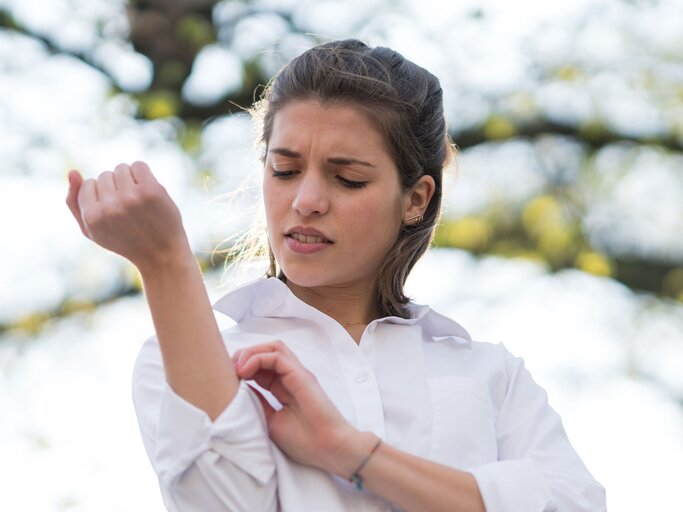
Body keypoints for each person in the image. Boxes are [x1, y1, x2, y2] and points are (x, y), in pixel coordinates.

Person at [65, 39, 606, 511]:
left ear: (416, 199)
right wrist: (165, 263)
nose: (306, 201)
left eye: (347, 179)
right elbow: (220, 502)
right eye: (285, 170)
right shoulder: (184, 359)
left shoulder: (490, 375)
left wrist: (351, 452)